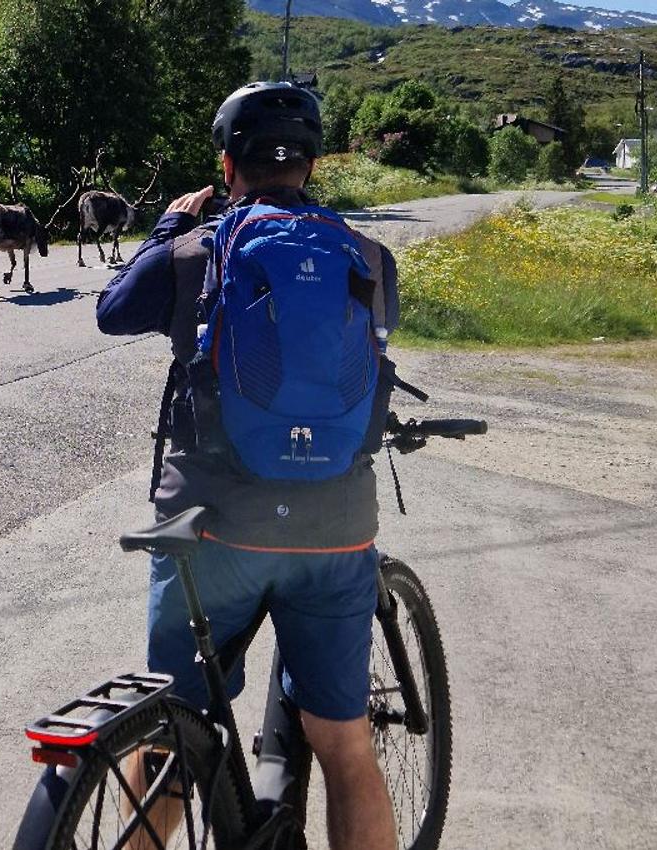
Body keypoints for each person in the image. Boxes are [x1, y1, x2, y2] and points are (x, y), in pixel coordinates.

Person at [96, 81, 401, 850]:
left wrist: (171, 222)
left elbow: (112, 312)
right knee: (345, 745)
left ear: (226, 166)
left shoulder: (195, 251)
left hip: (211, 530)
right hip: (335, 529)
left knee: (172, 739)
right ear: (311, 165)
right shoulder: (368, 257)